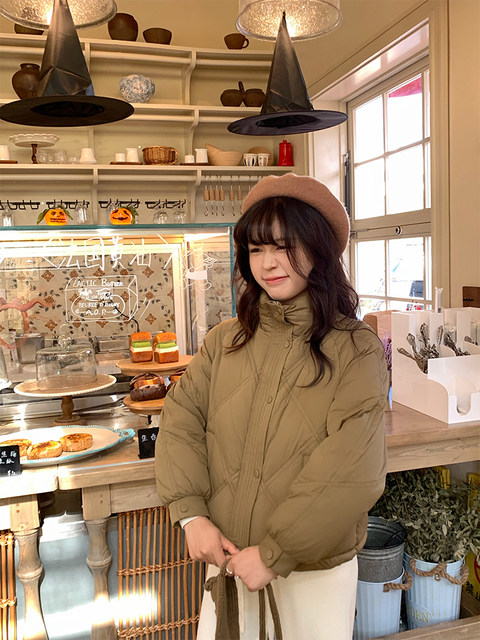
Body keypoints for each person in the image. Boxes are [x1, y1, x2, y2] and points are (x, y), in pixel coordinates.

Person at [155, 173, 388, 639]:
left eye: (285, 246)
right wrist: (191, 513)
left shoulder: (356, 348)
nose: (268, 263)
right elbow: (180, 422)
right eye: (256, 248)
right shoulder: (225, 340)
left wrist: (275, 552)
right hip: (229, 562)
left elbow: (350, 469)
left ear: (319, 250)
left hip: (312, 575)